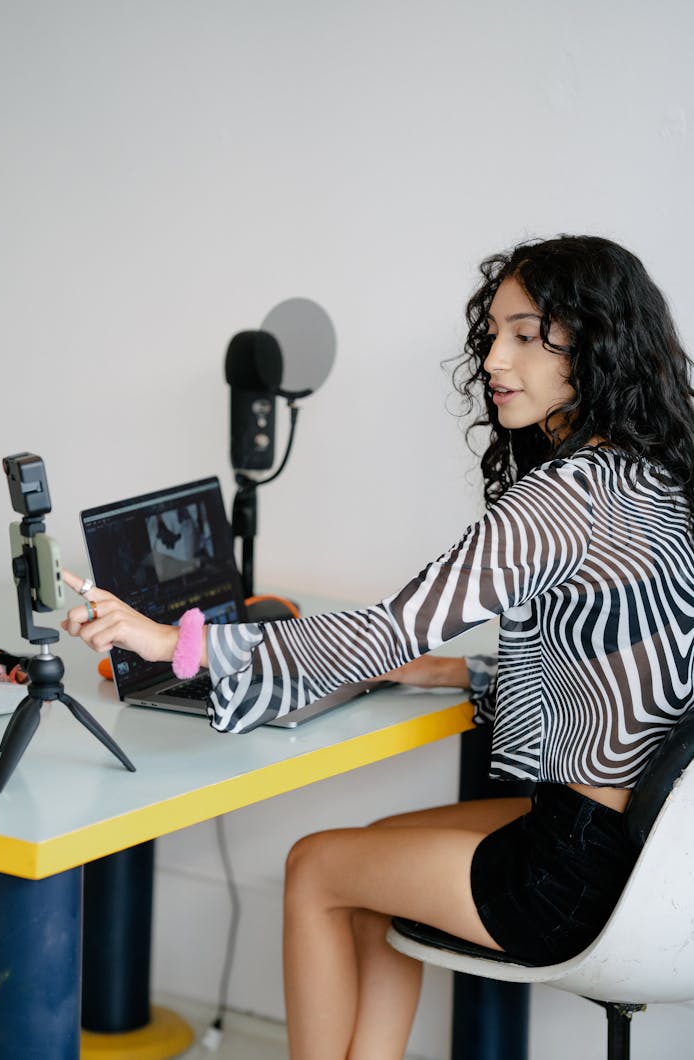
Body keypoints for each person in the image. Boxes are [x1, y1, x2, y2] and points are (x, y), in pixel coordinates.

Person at [63, 234, 694, 1060]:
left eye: (525, 334)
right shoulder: (658, 476)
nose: (496, 360)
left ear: (596, 340)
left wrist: (169, 640)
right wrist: (450, 672)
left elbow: (381, 630)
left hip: (573, 874)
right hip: (651, 854)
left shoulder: (562, 499)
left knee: (317, 869)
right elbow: (619, 661)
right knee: (370, 866)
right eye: (492, 335)